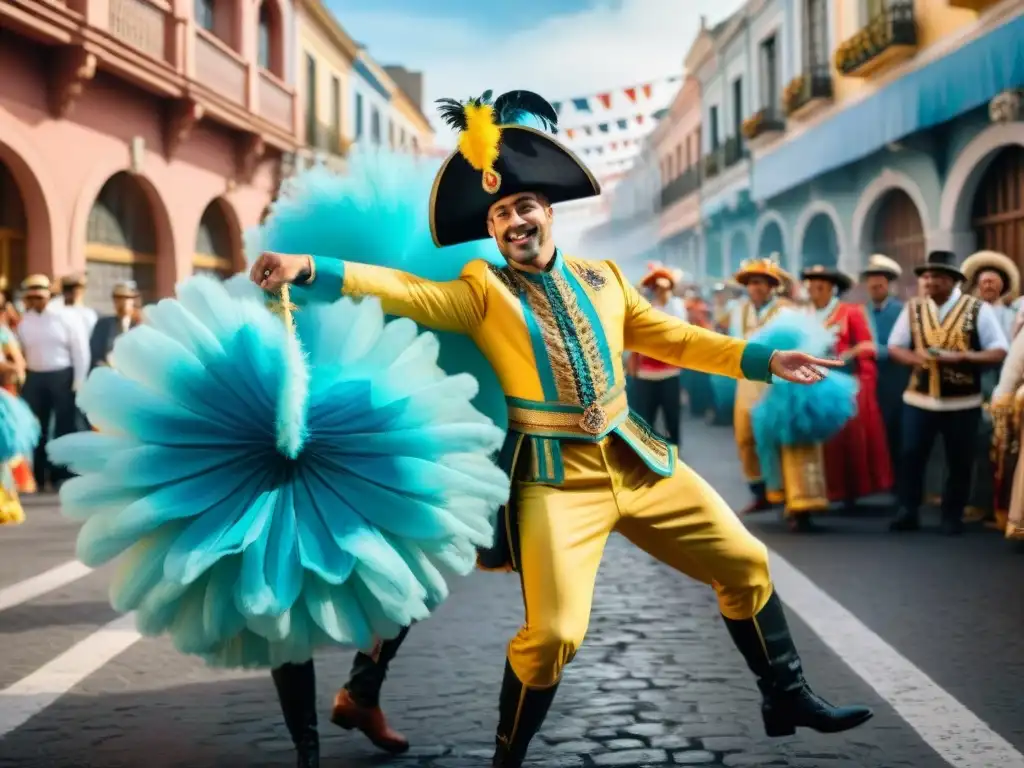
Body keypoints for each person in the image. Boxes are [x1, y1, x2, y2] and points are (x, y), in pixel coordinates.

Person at [252, 90, 872, 768]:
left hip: (638, 460)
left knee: (747, 564)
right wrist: (308, 268)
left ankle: (786, 694)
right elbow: (402, 290)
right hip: (554, 483)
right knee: (550, 635)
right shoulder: (482, 291)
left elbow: (678, 337)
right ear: (491, 233)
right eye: (500, 215)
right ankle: (505, 759)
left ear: (548, 212)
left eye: (524, 207)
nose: (515, 221)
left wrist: (766, 359)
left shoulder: (605, 280)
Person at [887, 251, 1009, 535]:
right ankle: (908, 510)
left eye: (937, 276)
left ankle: (952, 515)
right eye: (926, 276)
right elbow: (895, 346)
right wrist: (915, 360)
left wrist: (962, 358)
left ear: (953, 281)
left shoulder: (978, 309)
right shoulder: (914, 308)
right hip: (918, 397)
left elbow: (999, 350)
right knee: (911, 454)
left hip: (962, 400)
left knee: (959, 459)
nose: (929, 281)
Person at [802, 265, 893, 508]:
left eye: (820, 284)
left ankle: (847, 491)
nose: (814, 289)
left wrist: (846, 360)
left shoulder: (850, 312)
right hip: (809, 383)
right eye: (810, 284)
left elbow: (867, 346)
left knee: (845, 440)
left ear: (832, 288)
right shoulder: (803, 315)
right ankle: (818, 492)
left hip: (843, 383)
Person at [960, 251, 1020, 526]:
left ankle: (1006, 508)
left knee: (1007, 448)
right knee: (978, 446)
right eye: (984, 282)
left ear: (1003, 286)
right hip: (977, 385)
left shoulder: (1014, 313)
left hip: (1009, 387)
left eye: (994, 282)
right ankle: (977, 502)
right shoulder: (968, 315)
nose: (988, 287)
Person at [728, 257, 791, 515]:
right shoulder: (739, 311)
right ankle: (759, 491)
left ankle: (786, 496)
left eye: (761, 283)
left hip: (775, 381)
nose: (756, 287)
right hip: (745, 380)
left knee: (777, 437)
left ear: (770, 286)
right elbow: (730, 344)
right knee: (745, 436)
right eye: (752, 283)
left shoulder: (784, 311)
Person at [16, 274, 89, 491]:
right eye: (32, 296)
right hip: (35, 377)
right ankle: (39, 476)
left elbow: (80, 350)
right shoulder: (25, 320)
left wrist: (79, 380)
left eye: (41, 295)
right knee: (37, 428)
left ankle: (62, 476)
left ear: (49, 294)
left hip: (62, 375)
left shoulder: (65, 316)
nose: (37, 300)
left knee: (65, 427)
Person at [860, 255, 908, 488]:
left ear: (889, 286)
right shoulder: (862, 311)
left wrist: (876, 350)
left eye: (880, 284)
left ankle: (899, 483)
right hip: (869, 381)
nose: (875, 288)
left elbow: (906, 348)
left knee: (895, 432)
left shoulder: (902, 311)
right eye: (871, 285)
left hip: (896, 380)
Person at [628, 265, 686, 449]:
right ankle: (648, 455)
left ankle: (675, 454)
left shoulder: (676, 306)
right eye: (655, 287)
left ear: (670, 287)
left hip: (669, 373)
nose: (658, 290)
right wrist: (632, 363)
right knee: (646, 419)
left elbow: (678, 331)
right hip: (645, 374)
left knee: (672, 419)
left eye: (662, 287)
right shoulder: (645, 307)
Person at [89, 281, 143, 369]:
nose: (123, 302)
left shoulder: (141, 325)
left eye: (127, 298)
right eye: (118, 298)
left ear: (133, 300)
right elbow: (95, 356)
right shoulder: (103, 325)